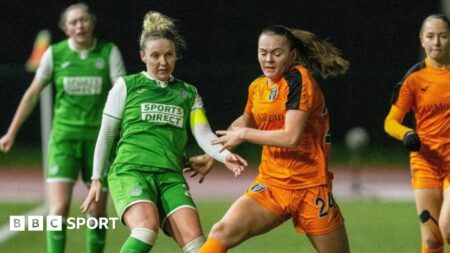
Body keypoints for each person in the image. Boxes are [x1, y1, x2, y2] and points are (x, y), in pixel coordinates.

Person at [80, 11, 247, 253]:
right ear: (143, 56)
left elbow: (204, 134)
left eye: (169, 55)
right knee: (146, 229)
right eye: (155, 55)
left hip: (170, 176)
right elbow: (106, 134)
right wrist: (97, 177)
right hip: (131, 171)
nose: (163, 62)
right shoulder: (126, 86)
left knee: (197, 244)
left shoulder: (188, 93)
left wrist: (224, 155)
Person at [191, 25, 350, 253]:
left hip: (310, 188)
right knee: (221, 232)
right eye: (263, 52)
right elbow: (245, 123)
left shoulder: (299, 81)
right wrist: (212, 155)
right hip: (272, 186)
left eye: (277, 53)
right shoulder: (257, 88)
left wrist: (244, 135)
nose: (268, 59)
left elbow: (291, 137)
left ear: (292, 55)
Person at [0, 3, 126, 253]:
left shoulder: (108, 52)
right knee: (58, 210)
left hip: (99, 142)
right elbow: (33, 93)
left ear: (92, 22)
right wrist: (11, 131)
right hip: (64, 140)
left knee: (97, 212)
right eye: (73, 22)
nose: (79, 25)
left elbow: (122, 94)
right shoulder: (55, 54)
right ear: (65, 28)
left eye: (84, 20)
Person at [384, 14, 450, 253]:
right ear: (422, 40)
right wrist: (406, 134)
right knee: (432, 240)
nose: (437, 42)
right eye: (431, 36)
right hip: (425, 162)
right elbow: (390, 122)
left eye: (443, 36)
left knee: (449, 227)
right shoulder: (413, 79)